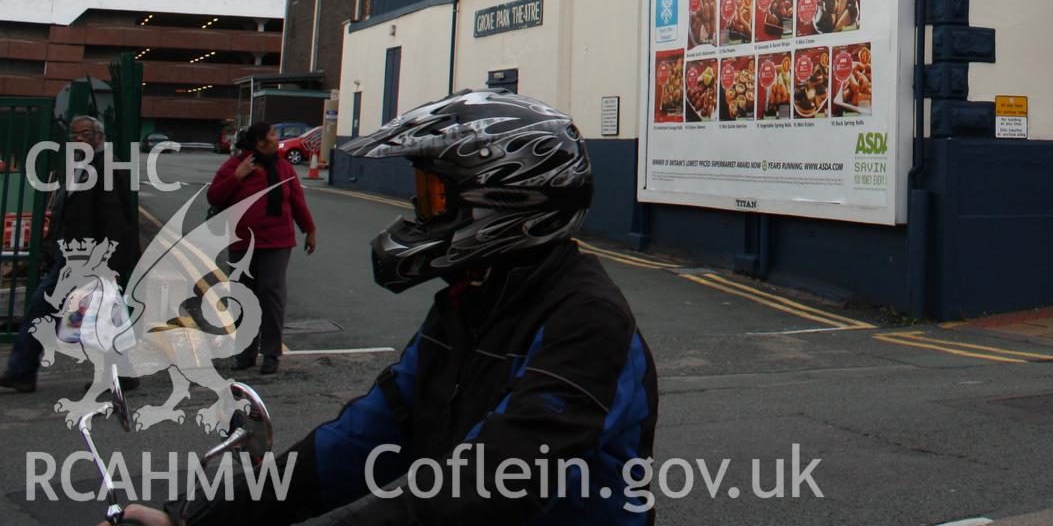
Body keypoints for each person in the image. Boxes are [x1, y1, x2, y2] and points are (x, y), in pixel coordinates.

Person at [113, 90, 658, 525]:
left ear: (509, 202)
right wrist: (196, 517)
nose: (420, 212)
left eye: (435, 198)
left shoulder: (589, 321)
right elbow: (362, 439)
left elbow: (491, 485)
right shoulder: (468, 301)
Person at [2, 114, 140, 394]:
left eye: (84, 134)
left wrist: (108, 264)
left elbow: (114, 219)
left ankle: (119, 374)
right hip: (72, 256)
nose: (78, 139)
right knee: (47, 308)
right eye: (74, 135)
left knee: (89, 315)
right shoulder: (82, 166)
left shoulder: (107, 168)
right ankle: (22, 372)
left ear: (99, 137)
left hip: (92, 259)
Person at [206, 121, 317, 376]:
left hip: (277, 241)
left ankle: (271, 354)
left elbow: (297, 201)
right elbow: (215, 197)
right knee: (245, 296)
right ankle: (245, 353)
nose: (276, 138)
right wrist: (237, 177)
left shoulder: (284, 167)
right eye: (272, 134)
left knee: (271, 294)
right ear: (259, 142)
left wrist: (309, 230)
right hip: (242, 242)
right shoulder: (235, 166)